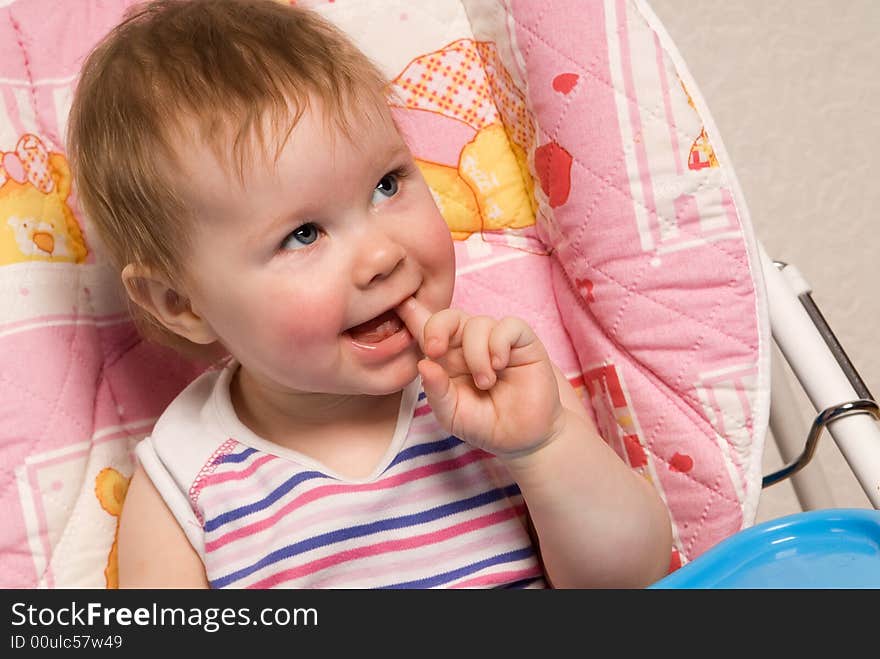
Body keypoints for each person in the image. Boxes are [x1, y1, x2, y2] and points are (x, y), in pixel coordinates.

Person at [67, 0, 672, 589]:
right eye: (303, 234)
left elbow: (631, 578)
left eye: (388, 184)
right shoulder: (187, 483)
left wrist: (545, 447)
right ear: (182, 303)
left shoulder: (498, 382)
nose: (383, 255)